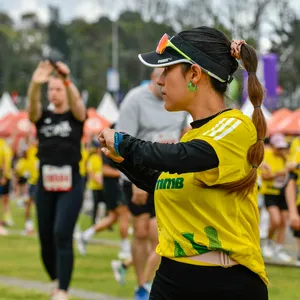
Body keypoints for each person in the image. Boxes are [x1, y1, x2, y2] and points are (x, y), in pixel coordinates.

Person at [99, 26, 268, 300]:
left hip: (228, 285)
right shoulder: (193, 134)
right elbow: (168, 180)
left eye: (167, 70)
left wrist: (124, 143)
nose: (160, 81)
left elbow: (183, 159)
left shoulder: (235, 126)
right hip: (171, 279)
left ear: (194, 74)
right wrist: (123, 161)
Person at [115, 67, 188, 298]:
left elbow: (183, 132)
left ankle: (147, 284)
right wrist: (136, 180)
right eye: (160, 78)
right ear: (152, 78)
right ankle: (140, 285)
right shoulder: (135, 100)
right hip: (137, 176)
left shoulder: (178, 100)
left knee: (160, 235)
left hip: (168, 176)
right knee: (140, 232)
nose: (163, 84)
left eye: (168, 78)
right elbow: (122, 142)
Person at [27, 60, 86, 300]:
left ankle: (62, 289)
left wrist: (67, 79)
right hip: (46, 181)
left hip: (71, 181)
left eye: (58, 89)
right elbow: (32, 109)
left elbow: (80, 107)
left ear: (65, 90)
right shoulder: (43, 117)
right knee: (45, 238)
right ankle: (56, 279)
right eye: (51, 89)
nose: (54, 93)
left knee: (62, 232)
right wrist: (34, 84)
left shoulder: (75, 116)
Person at [77, 136, 131, 258]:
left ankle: (85, 236)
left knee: (113, 217)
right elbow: (104, 169)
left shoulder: (107, 151)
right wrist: (123, 174)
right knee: (124, 213)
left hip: (111, 187)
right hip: (112, 187)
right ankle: (125, 248)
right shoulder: (105, 152)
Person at [260, 133, 292, 262]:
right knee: (275, 220)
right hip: (270, 193)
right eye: (278, 147)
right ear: (272, 146)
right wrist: (277, 174)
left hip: (283, 193)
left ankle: (278, 249)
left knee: (283, 222)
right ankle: (268, 242)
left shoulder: (286, 158)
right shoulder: (266, 156)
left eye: (282, 147)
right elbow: (264, 176)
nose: (280, 150)